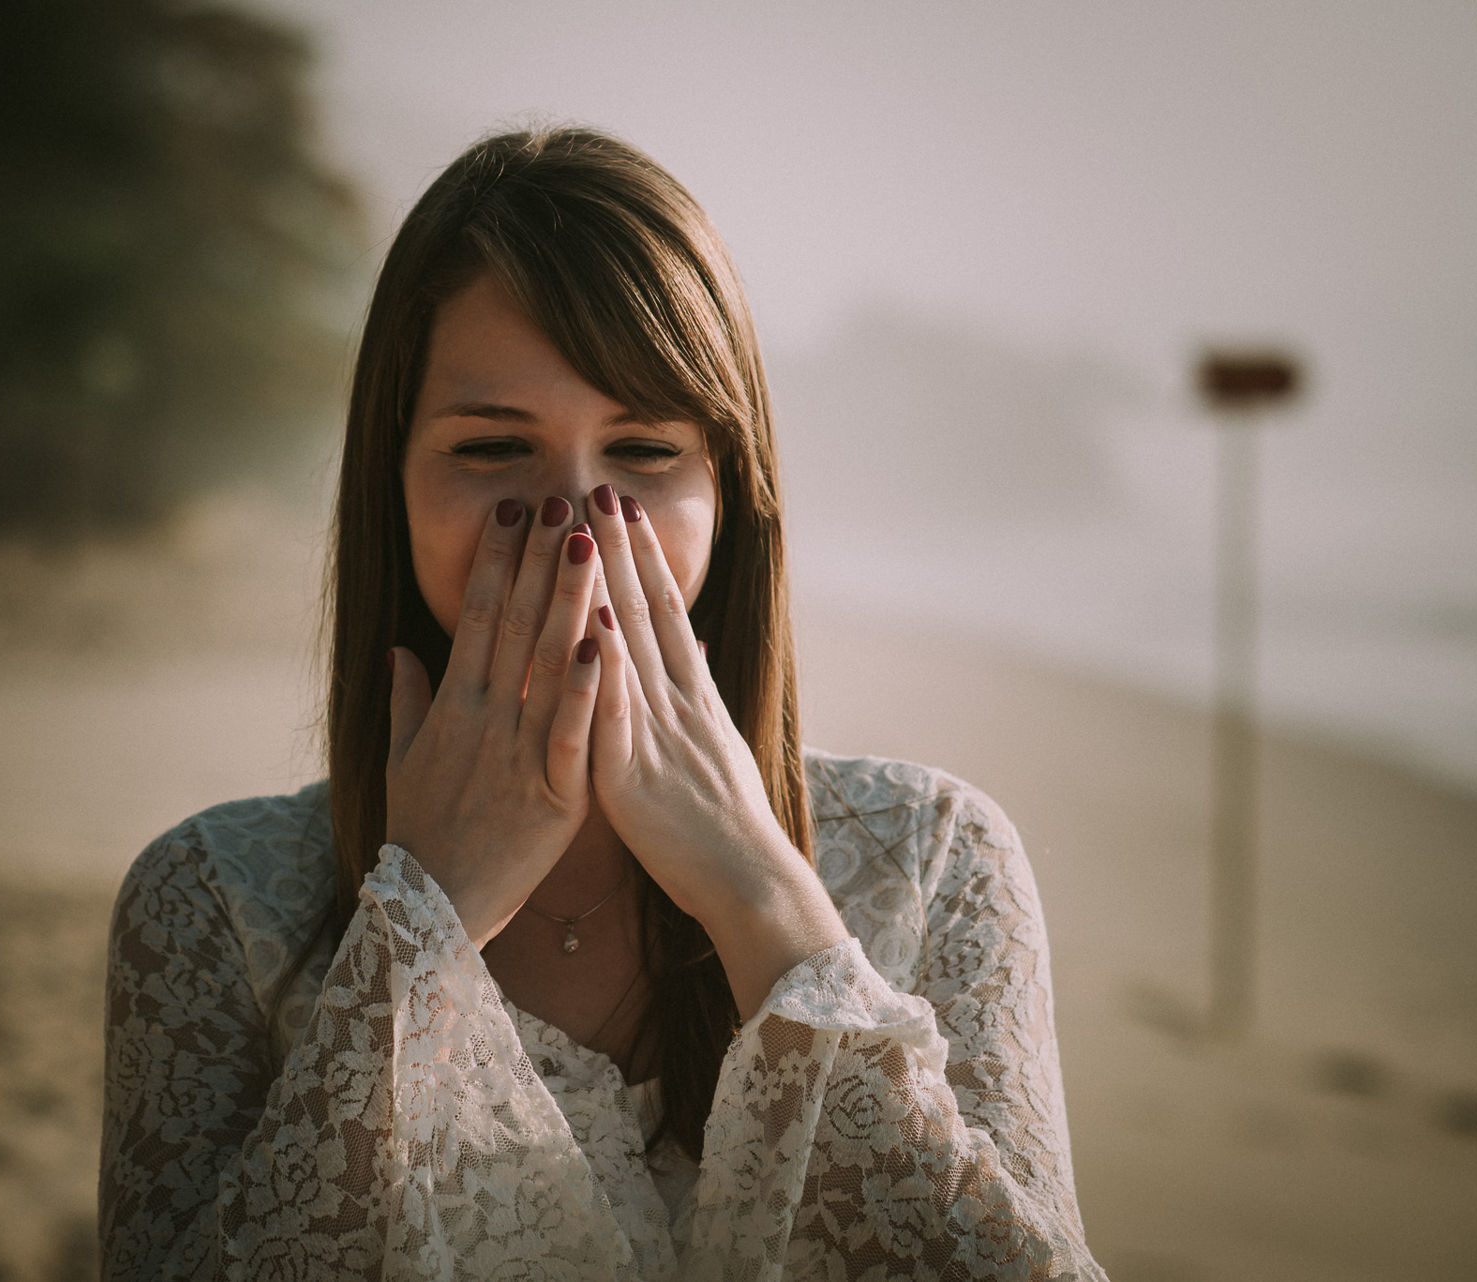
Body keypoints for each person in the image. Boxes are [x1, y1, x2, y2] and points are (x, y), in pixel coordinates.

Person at [100, 127, 1106, 1280]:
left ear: (731, 493)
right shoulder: (210, 900)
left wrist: (761, 895)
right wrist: (421, 923)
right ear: (396, 481)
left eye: (643, 448)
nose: (578, 522)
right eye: (491, 447)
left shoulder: (939, 860)